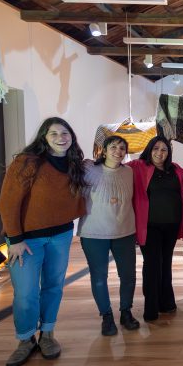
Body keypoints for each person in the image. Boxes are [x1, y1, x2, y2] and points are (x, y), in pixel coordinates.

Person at [0, 117, 87, 366]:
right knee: (26, 293)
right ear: (44, 138)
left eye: (65, 133)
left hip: (61, 236)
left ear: (72, 137)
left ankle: (47, 334)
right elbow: (7, 203)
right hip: (26, 240)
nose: (61, 138)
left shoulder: (74, 164)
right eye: (54, 133)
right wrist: (14, 239)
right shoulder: (27, 162)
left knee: (53, 287)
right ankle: (25, 339)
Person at [78, 135, 140, 336]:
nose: (118, 151)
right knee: (99, 277)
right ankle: (106, 316)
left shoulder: (129, 172)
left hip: (125, 231)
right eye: (113, 147)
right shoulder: (89, 169)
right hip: (94, 233)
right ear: (103, 150)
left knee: (128, 275)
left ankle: (126, 312)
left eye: (122, 148)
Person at [128, 136, 183, 322]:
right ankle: (151, 308)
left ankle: (167, 303)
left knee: (165, 263)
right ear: (149, 149)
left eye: (164, 149)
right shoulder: (138, 166)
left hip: (171, 225)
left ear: (168, 153)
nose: (159, 153)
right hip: (149, 226)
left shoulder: (174, 168)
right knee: (152, 264)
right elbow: (116, 166)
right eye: (156, 148)